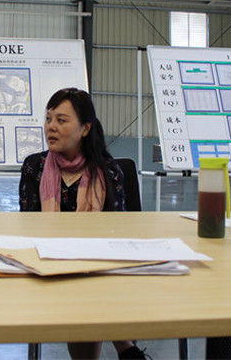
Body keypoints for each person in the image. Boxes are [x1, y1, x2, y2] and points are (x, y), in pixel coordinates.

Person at [19, 88, 147, 360]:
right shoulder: (35, 167)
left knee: (87, 281)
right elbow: (28, 226)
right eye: (48, 119)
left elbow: (118, 232)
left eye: (61, 120)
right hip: (48, 262)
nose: (51, 127)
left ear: (85, 128)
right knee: (82, 285)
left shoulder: (108, 171)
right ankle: (125, 347)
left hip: (97, 263)